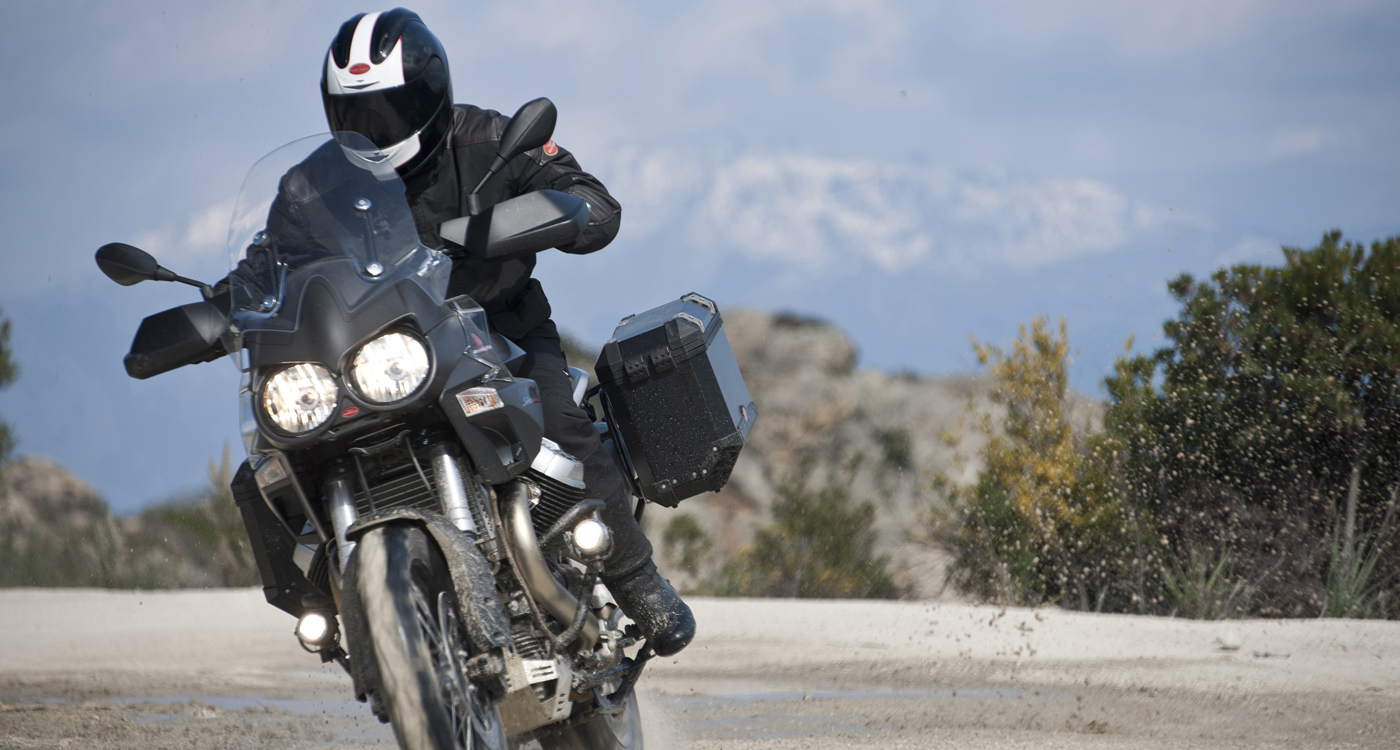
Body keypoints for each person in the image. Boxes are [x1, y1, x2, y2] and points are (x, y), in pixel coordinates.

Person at [234, 7, 694, 657]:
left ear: (429, 94)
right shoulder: (309, 186)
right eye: (357, 113)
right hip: (373, 353)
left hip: (495, 329)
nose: (375, 128)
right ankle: (327, 605)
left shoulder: (489, 139)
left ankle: (635, 577)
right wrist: (221, 304)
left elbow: (593, 203)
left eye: (390, 109)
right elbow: (265, 264)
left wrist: (551, 216)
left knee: (562, 423)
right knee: (269, 466)